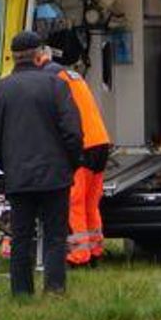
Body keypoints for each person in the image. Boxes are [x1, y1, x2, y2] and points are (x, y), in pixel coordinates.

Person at [0, 31, 83, 296]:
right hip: (55, 175)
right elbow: (72, 131)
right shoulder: (56, 85)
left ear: (14, 58)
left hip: (18, 177)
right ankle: (54, 290)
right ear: (39, 55)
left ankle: (21, 293)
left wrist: (8, 164)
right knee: (54, 236)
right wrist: (71, 164)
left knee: (21, 237)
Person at [46, 46, 112, 268]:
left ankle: (78, 256)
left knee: (75, 203)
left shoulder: (53, 81)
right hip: (100, 141)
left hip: (82, 145)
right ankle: (95, 250)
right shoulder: (71, 76)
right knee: (91, 202)